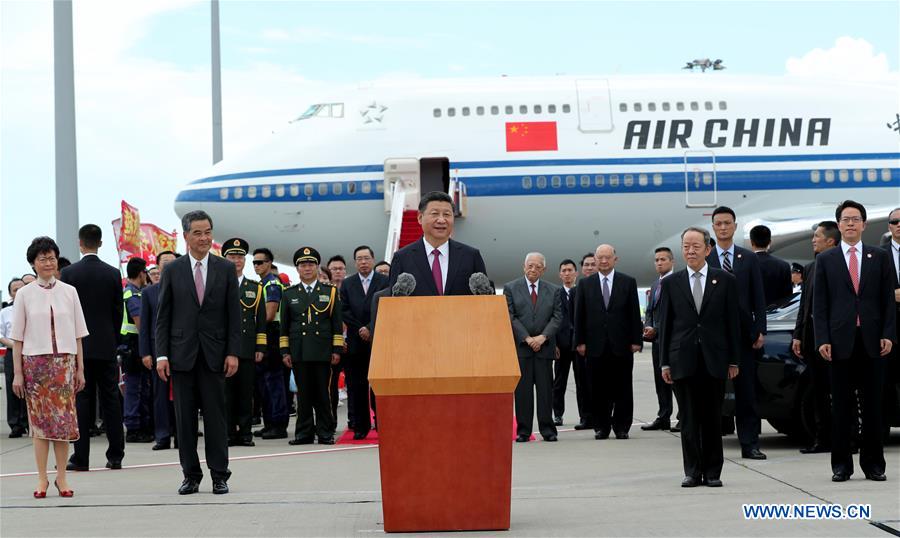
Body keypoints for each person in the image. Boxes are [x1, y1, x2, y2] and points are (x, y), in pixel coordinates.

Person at [156, 210, 240, 495]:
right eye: (198, 233)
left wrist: (233, 352)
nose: (204, 238)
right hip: (181, 356)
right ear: (186, 236)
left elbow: (234, 316)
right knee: (185, 420)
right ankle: (190, 475)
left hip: (216, 356)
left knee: (216, 419)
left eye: (208, 232)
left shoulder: (225, 269)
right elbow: (163, 316)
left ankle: (220, 475)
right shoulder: (172, 270)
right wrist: (161, 355)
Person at [813, 200, 895, 482]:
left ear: (864, 224)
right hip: (839, 343)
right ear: (838, 225)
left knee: (873, 406)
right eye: (845, 219)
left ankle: (873, 465)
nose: (850, 223)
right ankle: (841, 466)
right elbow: (819, 304)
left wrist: (888, 334)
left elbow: (887, 301)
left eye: (855, 219)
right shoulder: (826, 260)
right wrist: (822, 338)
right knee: (842, 407)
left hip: (872, 341)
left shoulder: (879, 256)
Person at [659, 227, 740, 488]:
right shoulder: (671, 283)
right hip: (683, 359)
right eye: (686, 246)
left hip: (714, 359)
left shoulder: (725, 280)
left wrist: (733, 360)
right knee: (689, 420)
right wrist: (664, 362)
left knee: (713, 419)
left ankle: (713, 472)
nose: (690, 251)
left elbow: (732, 324)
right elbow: (666, 325)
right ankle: (692, 471)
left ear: (708, 249)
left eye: (695, 246)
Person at [10, 236, 88, 498]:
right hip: (36, 366)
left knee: (64, 425)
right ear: (33, 263)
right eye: (42, 258)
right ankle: (42, 478)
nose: (48, 262)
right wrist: (18, 373)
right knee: (41, 426)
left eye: (51, 258)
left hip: (64, 364)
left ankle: (62, 478)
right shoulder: (24, 294)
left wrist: (80, 369)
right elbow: (17, 338)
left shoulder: (70, 291)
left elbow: (78, 334)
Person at [60, 224, 125, 471]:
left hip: (80, 348)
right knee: (111, 401)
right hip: (107, 345)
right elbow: (118, 311)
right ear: (100, 243)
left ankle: (81, 458)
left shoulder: (69, 273)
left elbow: (66, 313)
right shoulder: (111, 273)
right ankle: (116, 455)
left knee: (82, 403)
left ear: (80, 243)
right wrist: (112, 337)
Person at [706, 206, 767, 460]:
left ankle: (750, 443)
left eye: (727, 223)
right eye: (718, 223)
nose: (722, 227)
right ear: (713, 227)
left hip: (743, 335)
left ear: (735, 226)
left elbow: (758, 297)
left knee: (747, 393)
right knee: (712, 393)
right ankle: (709, 446)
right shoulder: (706, 260)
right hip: (713, 337)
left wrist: (760, 329)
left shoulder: (748, 258)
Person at [573, 244, 642, 440]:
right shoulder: (585, 285)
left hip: (621, 345)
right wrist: (580, 341)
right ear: (595, 260)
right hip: (594, 346)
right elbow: (580, 315)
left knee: (622, 388)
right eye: (600, 258)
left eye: (607, 257)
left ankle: (622, 427)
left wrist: (636, 340)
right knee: (597, 389)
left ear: (615, 259)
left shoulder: (627, 282)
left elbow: (634, 313)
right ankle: (601, 427)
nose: (603, 261)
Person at [281, 247, 344, 445]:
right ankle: (304, 433)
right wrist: (285, 351)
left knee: (323, 394)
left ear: (317, 267)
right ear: (297, 268)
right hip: (299, 351)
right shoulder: (289, 293)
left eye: (310, 264)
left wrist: (336, 349)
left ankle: (325, 431)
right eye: (302, 265)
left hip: (322, 350)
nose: (307, 268)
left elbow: (336, 324)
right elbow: (285, 326)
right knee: (304, 394)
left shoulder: (330, 292)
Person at [791, 221, 840, 454]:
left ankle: (848, 439)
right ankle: (822, 439)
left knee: (842, 392)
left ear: (830, 240)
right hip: (813, 339)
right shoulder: (810, 267)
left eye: (817, 236)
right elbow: (804, 305)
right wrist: (798, 335)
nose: (813, 239)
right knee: (819, 391)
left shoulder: (841, 264)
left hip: (837, 340)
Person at [505, 252, 563, 442]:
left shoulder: (553, 290)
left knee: (546, 392)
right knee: (523, 392)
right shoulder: (511, 288)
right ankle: (523, 431)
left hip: (544, 349)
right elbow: (510, 316)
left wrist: (543, 337)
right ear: (524, 267)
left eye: (538, 266)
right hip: (522, 349)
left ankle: (548, 430)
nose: (533, 269)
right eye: (530, 265)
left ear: (544, 270)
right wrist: (527, 338)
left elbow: (557, 317)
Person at [388, 191, 487, 296]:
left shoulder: (471, 256)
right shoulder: (402, 258)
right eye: (435, 214)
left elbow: (485, 299)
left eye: (447, 214)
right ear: (420, 218)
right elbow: (393, 302)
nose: (441, 220)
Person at [341, 245, 389, 439]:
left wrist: (370, 327)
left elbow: (386, 305)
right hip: (355, 340)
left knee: (379, 386)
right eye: (359, 259)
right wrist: (360, 328)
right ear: (355, 262)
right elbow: (343, 309)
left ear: (373, 259)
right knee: (357, 386)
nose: (363, 262)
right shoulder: (348, 283)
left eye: (366, 258)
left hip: (377, 339)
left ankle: (382, 423)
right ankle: (361, 426)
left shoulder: (384, 281)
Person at [223, 238, 266, 447]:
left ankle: (246, 433)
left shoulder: (255, 288)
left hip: (248, 348)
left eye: (240, 257)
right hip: (224, 349)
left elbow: (260, 320)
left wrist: (260, 347)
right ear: (225, 259)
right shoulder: (218, 284)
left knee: (246, 393)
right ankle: (229, 433)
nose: (236, 261)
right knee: (226, 393)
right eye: (232, 257)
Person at [140, 250, 179, 450]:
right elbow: (144, 325)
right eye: (165, 261)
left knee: (182, 394)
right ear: (158, 266)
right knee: (160, 395)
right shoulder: (148, 293)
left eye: (173, 261)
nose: (169, 264)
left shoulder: (184, 287)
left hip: (182, 349)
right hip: (158, 350)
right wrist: (145, 352)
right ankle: (162, 436)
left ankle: (181, 436)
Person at [252, 247, 289, 439]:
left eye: (260, 262)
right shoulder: (262, 284)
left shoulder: (272, 284)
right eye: (255, 262)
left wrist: (249, 322)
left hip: (272, 334)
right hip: (264, 334)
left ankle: (278, 424)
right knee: (264, 383)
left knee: (274, 381)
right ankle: (269, 423)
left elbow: (269, 314)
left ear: (269, 263)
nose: (257, 265)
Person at [642, 247, 679, 432]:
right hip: (657, 340)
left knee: (676, 380)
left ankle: (683, 417)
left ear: (672, 262)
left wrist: (657, 329)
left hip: (671, 339)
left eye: (663, 259)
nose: (659, 263)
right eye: (656, 260)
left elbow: (676, 313)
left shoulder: (677, 281)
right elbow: (650, 310)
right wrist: (649, 327)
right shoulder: (656, 284)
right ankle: (664, 415)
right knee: (660, 380)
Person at [552, 259, 586, 427]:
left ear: (576, 273)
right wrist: (554, 344)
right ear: (559, 274)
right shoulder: (554, 294)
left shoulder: (582, 291)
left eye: (570, 270)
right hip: (561, 345)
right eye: (563, 270)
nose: (567, 273)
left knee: (582, 382)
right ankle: (557, 414)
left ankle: (584, 415)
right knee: (559, 382)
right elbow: (550, 320)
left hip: (579, 345)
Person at [122, 257, 153, 443]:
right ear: (141, 273)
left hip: (134, 345)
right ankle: (133, 427)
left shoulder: (135, 292)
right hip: (133, 346)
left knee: (140, 387)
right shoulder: (131, 295)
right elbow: (140, 324)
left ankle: (139, 424)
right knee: (134, 388)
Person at [2, 278, 29, 437]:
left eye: (21, 288)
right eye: (15, 290)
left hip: (30, 352)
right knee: (13, 386)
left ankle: (29, 421)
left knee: (30, 388)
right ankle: (15, 425)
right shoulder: (5, 312)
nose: (18, 292)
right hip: (12, 352)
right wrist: (14, 345)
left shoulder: (33, 308)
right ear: (10, 293)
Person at [749, 225, 793, 306]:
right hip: (776, 314)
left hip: (750, 315)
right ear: (769, 242)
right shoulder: (783, 266)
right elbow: (787, 297)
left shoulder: (744, 264)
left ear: (751, 242)